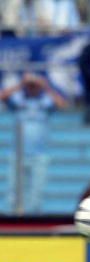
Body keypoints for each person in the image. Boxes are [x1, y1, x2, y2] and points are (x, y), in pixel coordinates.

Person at [0, 72, 67, 213]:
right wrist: (21, 84)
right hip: (18, 154)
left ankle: (33, 218)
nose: (32, 88)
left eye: (34, 86)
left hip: (40, 155)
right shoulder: (18, 101)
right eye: (30, 86)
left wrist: (46, 86)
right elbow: (3, 96)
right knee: (14, 191)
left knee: (37, 193)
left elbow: (62, 104)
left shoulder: (46, 102)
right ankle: (14, 220)